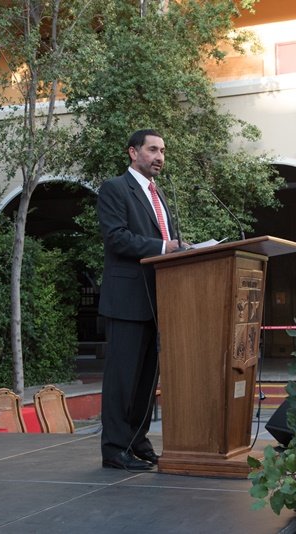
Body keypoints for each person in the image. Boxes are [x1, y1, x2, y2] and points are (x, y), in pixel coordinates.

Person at [97, 129, 181, 470]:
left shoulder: (158, 194)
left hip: (159, 299)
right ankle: (115, 448)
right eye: (153, 150)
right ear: (133, 152)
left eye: (163, 151)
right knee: (123, 379)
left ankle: (137, 439)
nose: (160, 157)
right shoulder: (115, 188)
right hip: (127, 300)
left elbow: (167, 240)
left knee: (146, 380)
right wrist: (164, 247)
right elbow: (116, 237)